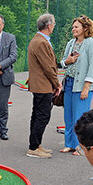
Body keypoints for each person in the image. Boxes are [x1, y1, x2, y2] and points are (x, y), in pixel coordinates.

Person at [59, 15, 93, 155]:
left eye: (76, 27)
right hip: (69, 83)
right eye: (73, 27)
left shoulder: (92, 43)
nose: (73, 29)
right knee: (68, 116)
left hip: (82, 85)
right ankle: (69, 144)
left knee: (80, 117)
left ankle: (82, 147)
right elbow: (63, 61)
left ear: (85, 28)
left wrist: (87, 87)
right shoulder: (71, 43)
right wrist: (68, 61)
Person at [26, 13, 61, 159]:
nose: (54, 26)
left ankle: (36, 144)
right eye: (53, 24)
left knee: (37, 115)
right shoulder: (41, 42)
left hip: (40, 85)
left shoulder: (39, 40)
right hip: (43, 85)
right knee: (42, 116)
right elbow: (48, 67)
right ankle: (33, 147)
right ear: (48, 25)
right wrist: (57, 83)